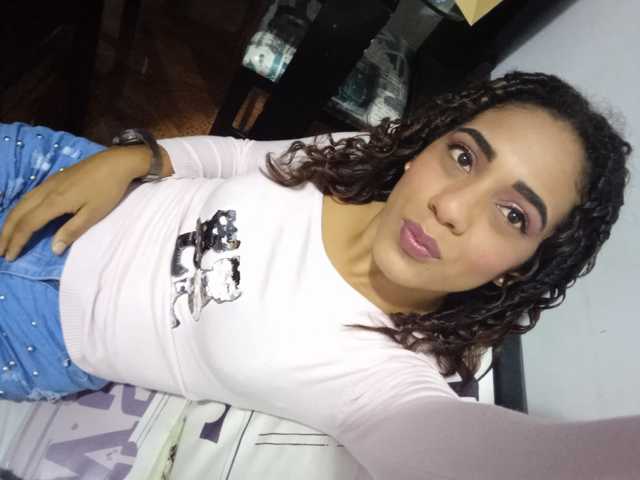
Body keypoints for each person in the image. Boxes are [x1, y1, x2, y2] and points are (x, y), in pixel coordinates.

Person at [0, 71, 638, 479]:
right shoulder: (354, 166)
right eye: (464, 156)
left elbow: (505, 464)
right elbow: (240, 159)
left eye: (512, 214)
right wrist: (139, 157)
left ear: (520, 270)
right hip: (59, 171)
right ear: (425, 150)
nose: (451, 207)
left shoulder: (382, 376)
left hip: (39, 331)